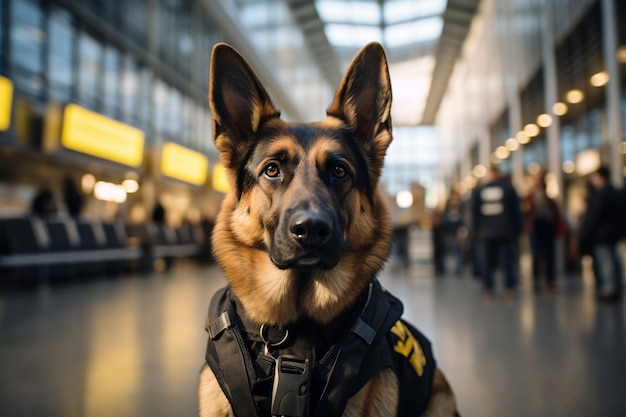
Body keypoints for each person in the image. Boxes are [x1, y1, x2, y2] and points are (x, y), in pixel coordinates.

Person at [471, 166, 523, 299]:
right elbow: (516, 210)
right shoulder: (508, 188)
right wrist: (518, 229)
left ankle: (492, 288)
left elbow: (474, 213)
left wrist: (475, 231)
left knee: (493, 261)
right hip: (501, 231)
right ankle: (505, 288)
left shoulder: (480, 190)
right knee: (505, 260)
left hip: (490, 232)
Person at [579, 166, 624, 301]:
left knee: (605, 262)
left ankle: (608, 289)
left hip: (601, 234)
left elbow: (594, 216)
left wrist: (586, 231)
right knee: (614, 260)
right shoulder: (616, 192)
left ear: (600, 177)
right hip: (614, 234)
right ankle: (616, 287)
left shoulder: (600, 194)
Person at [522, 169, 567, 295]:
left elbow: (556, 215)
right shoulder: (529, 197)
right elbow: (525, 213)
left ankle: (550, 281)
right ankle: (536, 282)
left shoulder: (550, 198)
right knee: (536, 256)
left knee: (550, 256)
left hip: (548, 229)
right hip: (535, 229)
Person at [440, 191, 465, 275]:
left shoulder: (462, 205)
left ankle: (459, 269)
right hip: (448, 231)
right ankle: (444, 269)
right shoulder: (447, 206)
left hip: (458, 231)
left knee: (457, 251)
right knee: (448, 251)